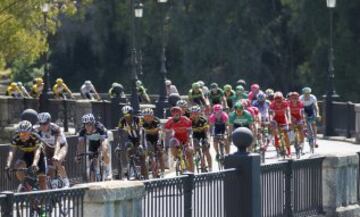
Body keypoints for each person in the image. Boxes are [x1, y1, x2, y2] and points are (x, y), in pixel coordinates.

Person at [5, 120, 47, 190]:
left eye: (25, 134)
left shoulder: (35, 136)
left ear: (30, 133)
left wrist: (35, 163)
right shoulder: (16, 138)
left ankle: (45, 197)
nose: (23, 136)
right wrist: (8, 165)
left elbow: (37, 152)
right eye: (21, 134)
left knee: (42, 179)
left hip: (39, 155)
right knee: (18, 168)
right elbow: (11, 152)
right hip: (27, 154)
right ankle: (27, 187)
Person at [34, 112, 69, 188]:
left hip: (61, 146)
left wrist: (56, 155)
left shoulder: (55, 128)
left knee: (56, 161)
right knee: (50, 169)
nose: (43, 126)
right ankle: (53, 185)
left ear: (49, 122)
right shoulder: (37, 130)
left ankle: (66, 182)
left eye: (45, 124)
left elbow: (57, 144)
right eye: (41, 124)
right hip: (48, 147)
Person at [76, 113, 112, 180]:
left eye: (89, 124)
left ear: (93, 123)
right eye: (85, 124)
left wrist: (103, 151)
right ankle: (94, 174)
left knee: (105, 150)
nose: (87, 126)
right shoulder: (82, 130)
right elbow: (80, 144)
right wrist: (78, 155)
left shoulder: (99, 127)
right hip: (93, 143)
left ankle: (108, 172)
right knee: (91, 158)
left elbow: (104, 142)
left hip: (102, 140)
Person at [118, 105, 148, 179]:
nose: (126, 117)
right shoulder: (122, 121)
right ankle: (130, 165)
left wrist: (140, 144)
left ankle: (145, 176)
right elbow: (119, 132)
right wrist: (119, 145)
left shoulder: (138, 119)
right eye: (124, 115)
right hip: (131, 138)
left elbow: (141, 131)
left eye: (128, 115)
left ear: (131, 114)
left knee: (142, 157)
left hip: (140, 138)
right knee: (128, 150)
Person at [164, 106, 194, 172]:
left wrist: (189, 139)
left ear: (180, 114)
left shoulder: (185, 120)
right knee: (171, 142)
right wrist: (168, 132)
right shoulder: (170, 121)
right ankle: (178, 158)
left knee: (189, 152)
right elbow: (166, 131)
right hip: (177, 137)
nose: (175, 116)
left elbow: (190, 131)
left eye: (177, 115)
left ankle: (192, 171)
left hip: (186, 137)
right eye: (173, 115)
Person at [141, 108, 165, 178]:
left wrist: (159, 142)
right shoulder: (141, 121)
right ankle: (146, 171)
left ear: (152, 116)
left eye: (149, 116)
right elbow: (141, 132)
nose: (147, 118)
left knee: (160, 153)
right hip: (147, 138)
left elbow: (159, 131)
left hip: (156, 137)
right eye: (145, 116)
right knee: (145, 152)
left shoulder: (156, 120)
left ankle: (162, 171)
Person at [269, 91, 292, 156]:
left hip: (283, 119)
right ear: (274, 100)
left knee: (285, 135)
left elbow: (288, 112)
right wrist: (271, 120)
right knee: (276, 134)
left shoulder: (285, 103)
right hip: (275, 119)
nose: (278, 103)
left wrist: (289, 120)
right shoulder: (272, 104)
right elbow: (270, 114)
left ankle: (289, 151)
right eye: (277, 101)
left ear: (282, 99)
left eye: (280, 101)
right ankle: (277, 149)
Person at [190, 105, 212, 172]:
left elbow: (206, 130)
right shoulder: (189, 120)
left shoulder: (203, 120)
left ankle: (210, 167)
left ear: (199, 113)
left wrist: (206, 139)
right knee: (196, 149)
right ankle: (198, 159)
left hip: (203, 135)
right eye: (193, 113)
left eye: (196, 113)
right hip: (195, 136)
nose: (195, 114)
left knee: (206, 151)